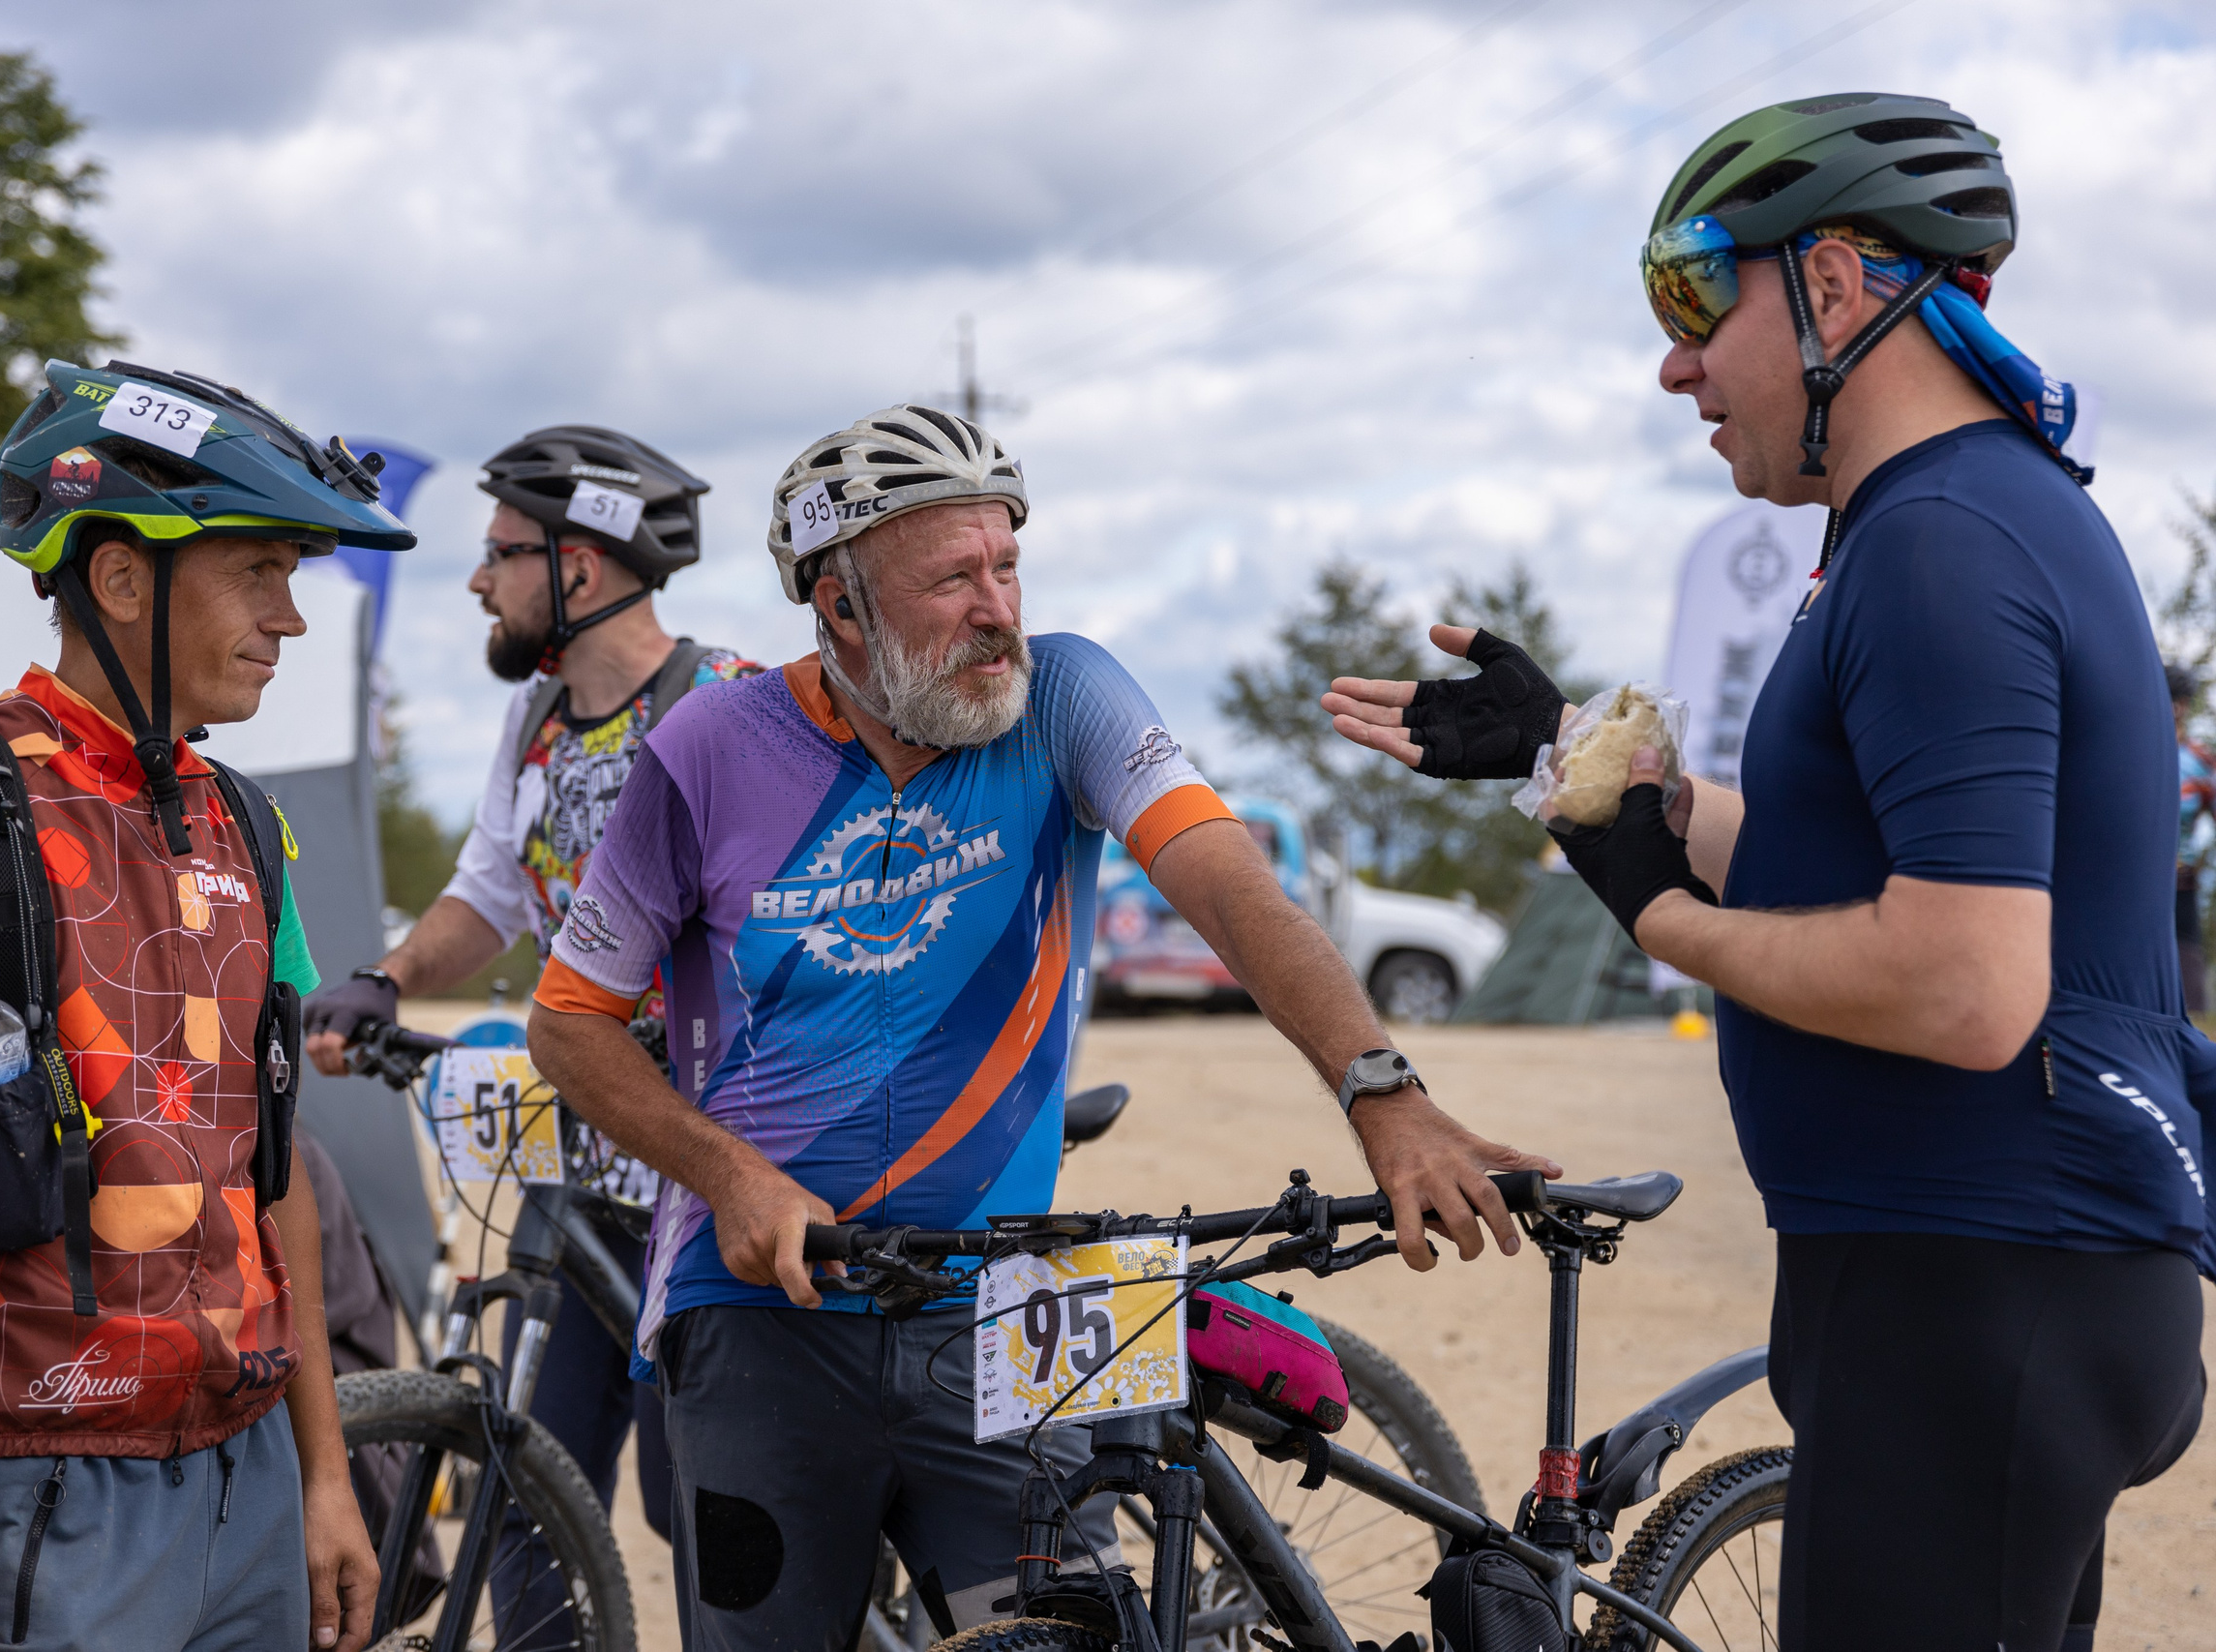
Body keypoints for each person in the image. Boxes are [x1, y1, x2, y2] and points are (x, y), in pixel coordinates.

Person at [1324, 96, 2206, 1651]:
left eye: (1694, 301)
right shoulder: (1945, 523)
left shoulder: (1942, 542)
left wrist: (1660, 912)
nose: (1674, 364)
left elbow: (1962, 980)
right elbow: (1845, 851)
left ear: (1842, 283)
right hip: (1977, 1278)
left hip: (1979, 1286)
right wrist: (1566, 757)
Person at [526, 404, 1559, 1650]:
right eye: (952, 578)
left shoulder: (1063, 694)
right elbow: (570, 1021)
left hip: (1002, 1306)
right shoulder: (707, 750)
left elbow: (1230, 886)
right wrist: (728, 1178)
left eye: (1007, 565)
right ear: (838, 606)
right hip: (761, 1316)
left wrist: (1382, 1094)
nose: (998, 608)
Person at [0, 359, 414, 1652]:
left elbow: (275, 1169)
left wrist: (319, 1474)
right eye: (260, 571)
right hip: (31, 1474)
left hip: (244, 1470)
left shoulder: (245, 818)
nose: (288, 617)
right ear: (123, 577)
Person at [303, 425, 758, 1551]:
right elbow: (492, 897)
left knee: (698, 1507)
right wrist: (387, 977)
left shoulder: (732, 711)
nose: (475, 580)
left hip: (707, 1184)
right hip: (573, 1167)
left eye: (500, 552)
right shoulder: (535, 721)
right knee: (521, 1497)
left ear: (580, 566)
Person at [2171, 663, 2213, 1017]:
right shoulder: (2121, 746)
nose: (2173, 708)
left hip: (2181, 880)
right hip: (2127, 876)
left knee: (2189, 971)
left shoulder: (2200, 761)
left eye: (2179, 699)